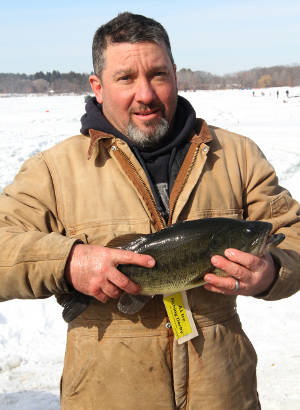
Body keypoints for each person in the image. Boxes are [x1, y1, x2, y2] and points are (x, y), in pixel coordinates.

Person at [0, 12, 300, 410]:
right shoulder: (53, 171)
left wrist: (272, 272)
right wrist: (68, 260)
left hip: (224, 395)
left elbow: (291, 235)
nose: (145, 94)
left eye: (158, 74)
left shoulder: (237, 155)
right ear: (98, 86)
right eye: (125, 78)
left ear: (176, 74)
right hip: (108, 395)